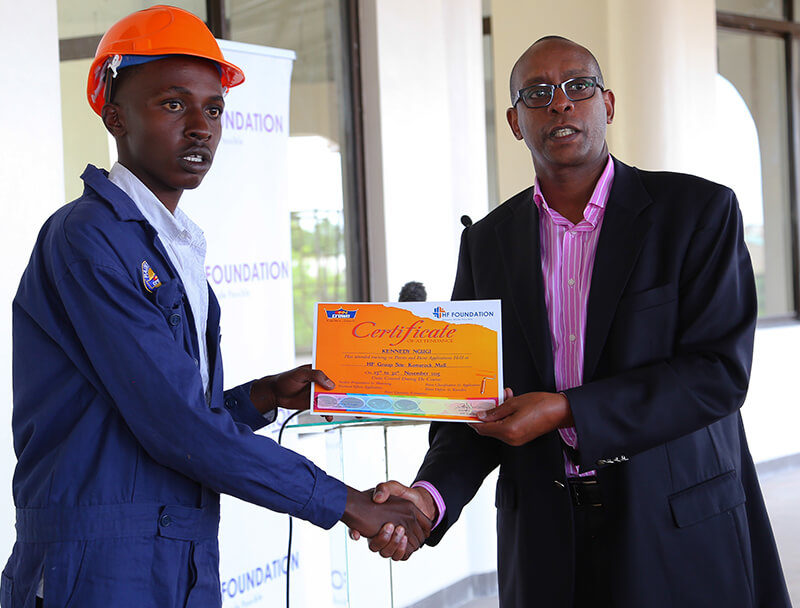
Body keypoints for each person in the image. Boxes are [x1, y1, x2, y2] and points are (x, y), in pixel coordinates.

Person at [1, 6, 429, 607]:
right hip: (99, 571)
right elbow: (176, 427)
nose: (202, 126)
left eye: (214, 108)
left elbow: (172, 412)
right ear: (116, 115)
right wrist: (350, 504)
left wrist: (266, 397)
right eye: (174, 104)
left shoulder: (171, 244)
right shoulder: (88, 238)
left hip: (176, 557)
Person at [357, 36, 791, 607]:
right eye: (537, 93)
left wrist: (565, 409)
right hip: (544, 545)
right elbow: (474, 402)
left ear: (606, 104)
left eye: (577, 86)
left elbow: (717, 375)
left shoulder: (696, 213)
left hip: (676, 532)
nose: (559, 103)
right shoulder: (487, 243)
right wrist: (427, 497)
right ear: (515, 121)